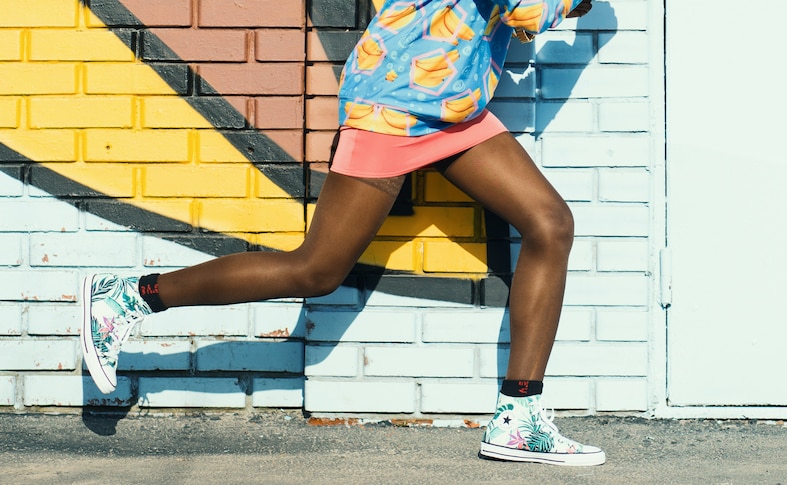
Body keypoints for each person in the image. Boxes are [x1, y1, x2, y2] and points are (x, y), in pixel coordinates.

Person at [82, 0, 605, 467]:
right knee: (316, 270)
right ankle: (129, 297)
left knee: (550, 224)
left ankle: (518, 418)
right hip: (394, 104)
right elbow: (530, 12)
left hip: (453, 108)